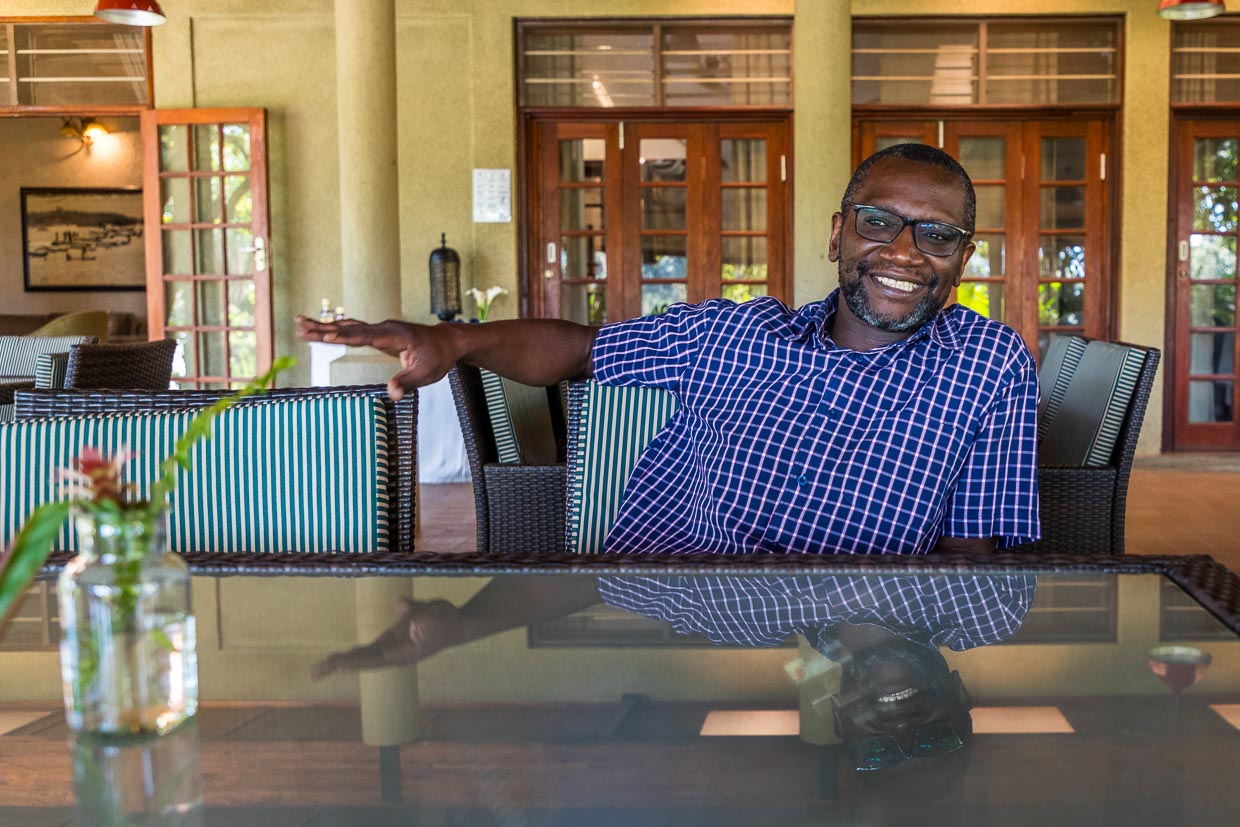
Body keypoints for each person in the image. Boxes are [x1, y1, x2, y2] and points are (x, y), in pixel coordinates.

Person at [297, 143, 1040, 555]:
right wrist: (454, 339)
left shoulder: (987, 363)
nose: (906, 251)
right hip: (691, 625)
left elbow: (968, 557)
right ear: (836, 233)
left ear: (963, 259)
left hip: (867, 638)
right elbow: (581, 352)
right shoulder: (736, 335)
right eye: (879, 222)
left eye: (937, 233)